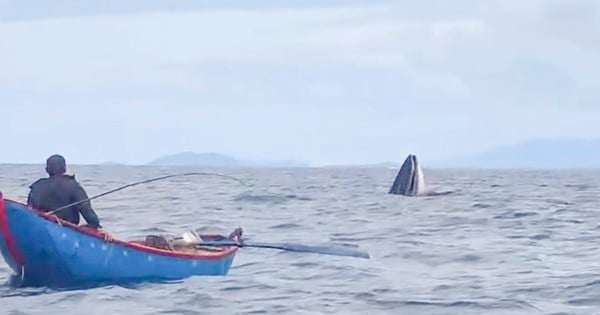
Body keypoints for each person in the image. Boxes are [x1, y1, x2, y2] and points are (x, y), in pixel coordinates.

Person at [27, 154, 105, 231]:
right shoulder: (73, 185)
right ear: (64, 169)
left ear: (47, 170)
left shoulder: (37, 186)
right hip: (67, 230)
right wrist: (95, 225)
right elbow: (86, 210)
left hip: (40, 228)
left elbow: (29, 211)